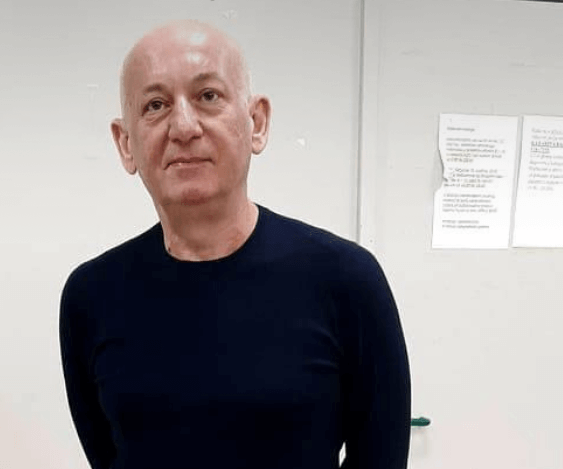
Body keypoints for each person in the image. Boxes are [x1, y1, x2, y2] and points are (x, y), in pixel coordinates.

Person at [60, 20, 411, 469]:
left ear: (256, 122)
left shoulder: (346, 280)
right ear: (125, 143)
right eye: (155, 105)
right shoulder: (91, 297)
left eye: (208, 96)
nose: (183, 126)